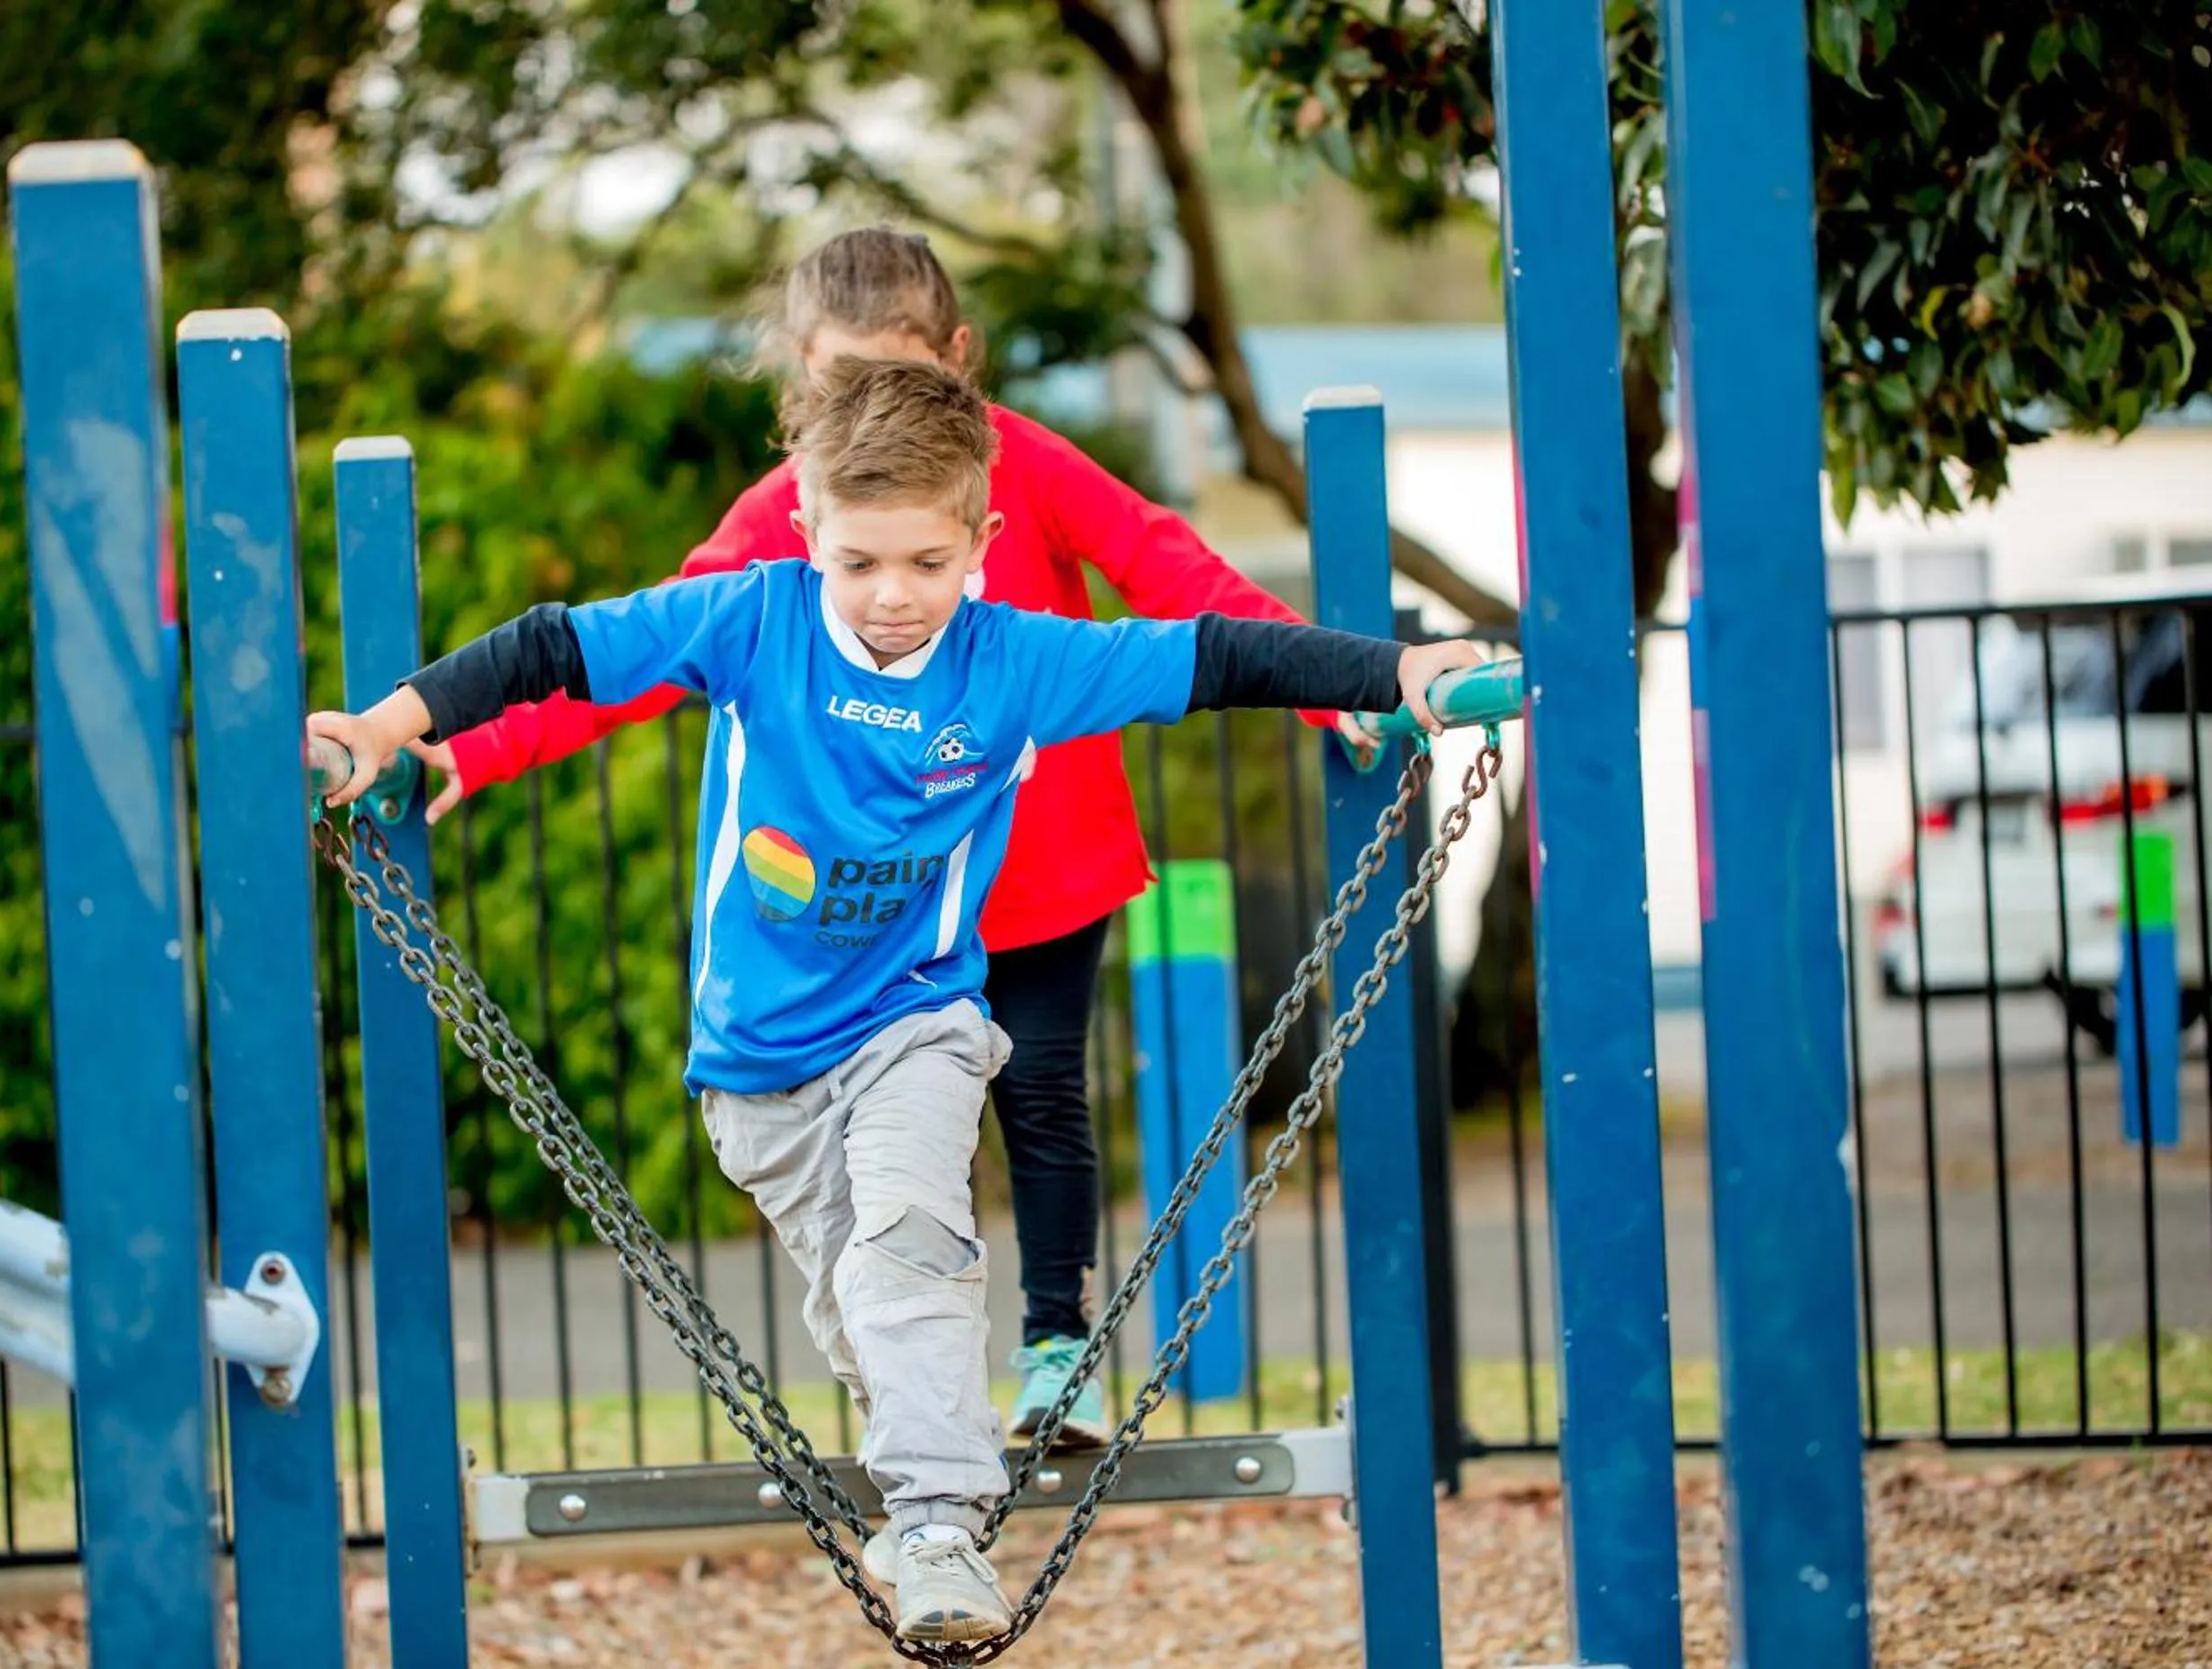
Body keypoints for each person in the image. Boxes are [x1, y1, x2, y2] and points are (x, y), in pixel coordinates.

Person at [312, 357, 1478, 1642]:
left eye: (927, 562)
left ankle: (934, 1532)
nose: (891, 598)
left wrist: (1394, 673)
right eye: (860, 561)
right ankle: (932, 1462)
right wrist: (391, 724)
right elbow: (553, 648)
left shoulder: (1013, 661)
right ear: (806, 529)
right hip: (757, 1068)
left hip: (917, 1022)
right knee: (873, 1306)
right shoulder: (751, 621)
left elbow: (1211, 654)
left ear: (982, 541)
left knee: (913, 1243)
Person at [412, 226, 1381, 1451]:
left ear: (958, 361)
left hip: (1035, 851)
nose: (869, 408)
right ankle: (918, 1384)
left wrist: (1331, 686)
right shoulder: (789, 510)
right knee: (896, 1131)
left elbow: (1165, 568)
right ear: (797, 385)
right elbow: (634, 662)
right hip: (883, 890)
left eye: (898, 375)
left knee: (1037, 1086)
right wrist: (476, 745)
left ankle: (1054, 1343)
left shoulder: (1019, 466)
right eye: (837, 385)